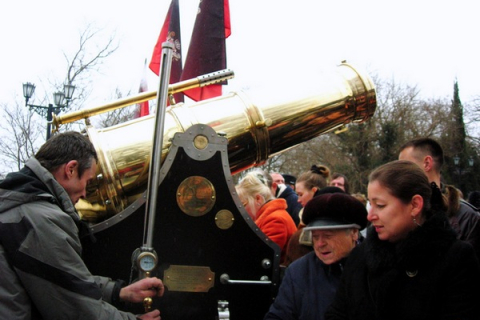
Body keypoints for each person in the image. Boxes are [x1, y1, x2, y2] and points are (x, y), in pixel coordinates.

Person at [0, 132, 164, 320]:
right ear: (70, 169)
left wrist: (118, 292)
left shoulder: (17, 205)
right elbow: (76, 308)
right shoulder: (41, 220)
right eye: (87, 181)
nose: (85, 193)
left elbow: (60, 280)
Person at [325, 160, 480, 320]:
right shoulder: (361, 255)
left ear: (415, 205)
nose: (370, 216)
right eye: (370, 204)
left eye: (380, 205)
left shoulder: (456, 259)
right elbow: (337, 312)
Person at [264, 193, 368, 320]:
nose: (320, 244)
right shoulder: (298, 271)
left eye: (328, 236)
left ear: (354, 233)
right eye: (315, 236)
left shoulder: (374, 268)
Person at [398, 137, 480, 260]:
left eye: (405, 166)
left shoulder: (467, 217)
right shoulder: (399, 210)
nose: (399, 173)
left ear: (427, 163)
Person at [236, 171, 297, 264]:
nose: (242, 209)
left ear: (258, 199)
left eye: (243, 204)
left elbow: (260, 258)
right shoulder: (272, 216)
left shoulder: (275, 220)